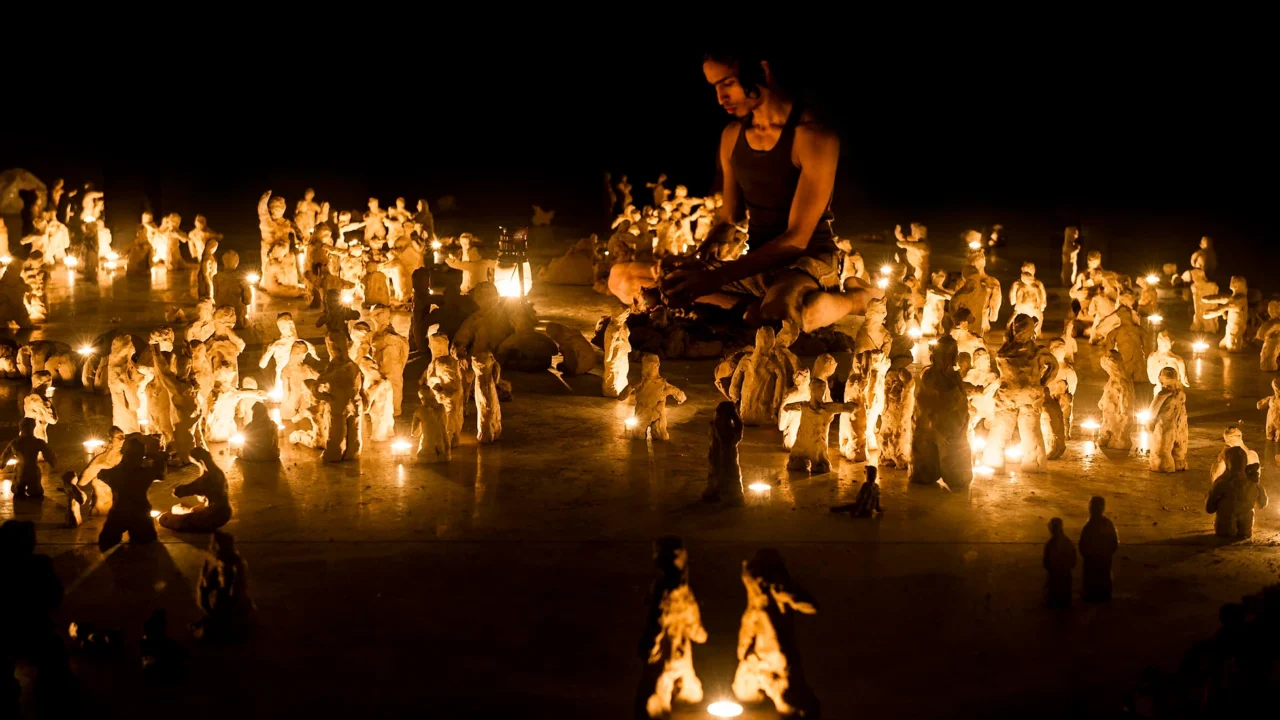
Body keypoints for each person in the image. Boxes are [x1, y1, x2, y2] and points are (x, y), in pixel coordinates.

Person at [616, 47, 872, 331]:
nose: (720, 97)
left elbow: (796, 240)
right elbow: (729, 221)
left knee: (778, 319)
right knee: (624, 278)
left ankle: (855, 299)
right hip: (755, 264)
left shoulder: (813, 136)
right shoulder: (732, 136)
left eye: (727, 84)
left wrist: (714, 280)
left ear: (762, 71)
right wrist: (693, 261)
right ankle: (750, 311)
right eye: (715, 87)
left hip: (806, 262)